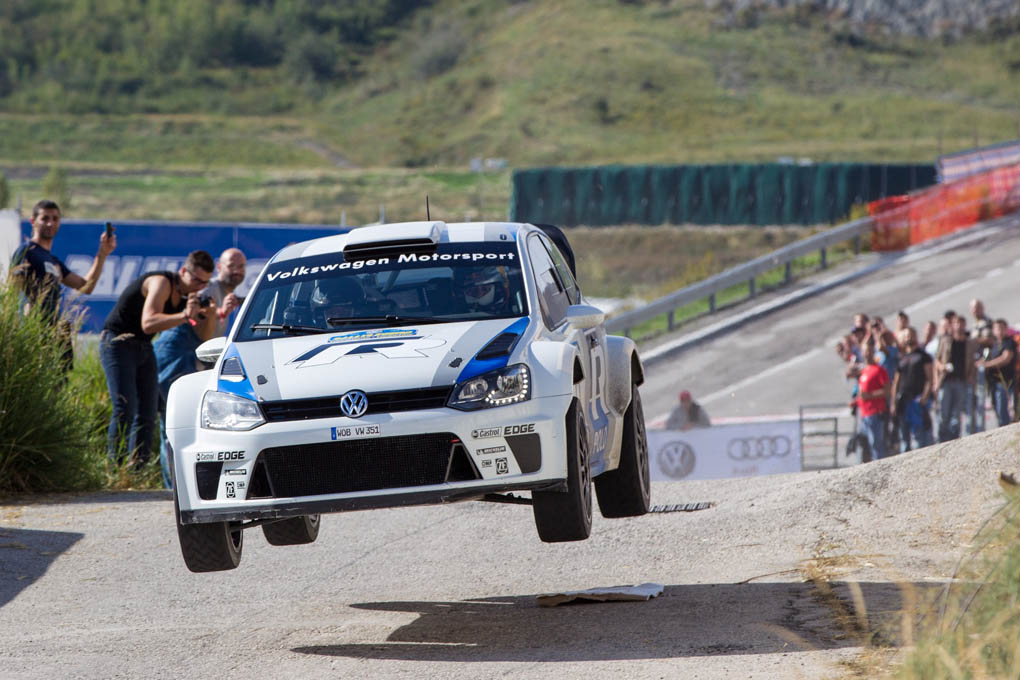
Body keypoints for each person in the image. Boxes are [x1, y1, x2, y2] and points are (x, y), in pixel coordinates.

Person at [100, 251, 214, 468]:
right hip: (117, 342)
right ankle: (114, 468)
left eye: (205, 283)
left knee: (148, 411)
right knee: (125, 407)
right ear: (183, 271)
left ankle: (136, 471)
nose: (200, 286)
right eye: (196, 280)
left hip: (143, 346)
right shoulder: (161, 282)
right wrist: (184, 315)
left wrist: (210, 315)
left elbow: (204, 336)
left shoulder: (186, 299)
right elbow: (148, 322)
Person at [9, 199, 115, 371]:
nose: (50, 223)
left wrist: (102, 254)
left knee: (59, 385)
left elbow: (85, 286)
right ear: (33, 221)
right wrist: (20, 326)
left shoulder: (53, 261)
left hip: (54, 332)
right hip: (34, 331)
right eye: (45, 218)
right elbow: (13, 289)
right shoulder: (27, 251)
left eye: (55, 218)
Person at [934, 314, 978, 442]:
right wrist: (941, 368)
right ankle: (942, 439)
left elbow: (972, 362)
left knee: (956, 413)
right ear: (952, 325)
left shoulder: (969, 343)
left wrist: (971, 376)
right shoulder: (945, 340)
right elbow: (936, 359)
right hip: (946, 380)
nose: (958, 326)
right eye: (956, 323)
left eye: (961, 323)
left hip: (961, 381)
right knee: (944, 412)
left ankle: (954, 439)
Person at [890, 327, 934, 452]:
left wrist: (925, 396)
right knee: (904, 435)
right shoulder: (902, 358)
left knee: (919, 434)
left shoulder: (923, 356)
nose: (908, 338)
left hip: (917, 399)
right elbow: (896, 382)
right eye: (905, 336)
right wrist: (893, 403)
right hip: (904, 400)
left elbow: (929, 378)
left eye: (910, 335)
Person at [853, 340, 891, 460]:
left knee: (876, 443)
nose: (866, 353)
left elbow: (887, 391)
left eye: (869, 351)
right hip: (864, 413)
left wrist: (869, 395)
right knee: (864, 444)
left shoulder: (879, 370)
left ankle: (880, 465)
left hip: (875, 412)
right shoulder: (864, 370)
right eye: (864, 351)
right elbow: (861, 393)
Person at [977, 319, 1016, 428]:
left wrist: (987, 365)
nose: (999, 331)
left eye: (1001, 328)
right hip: (994, 381)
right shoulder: (994, 345)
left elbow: (1006, 358)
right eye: (997, 328)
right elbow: (986, 358)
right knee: (997, 407)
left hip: (1006, 381)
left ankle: (1007, 427)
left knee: (1005, 407)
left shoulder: (1008, 342)